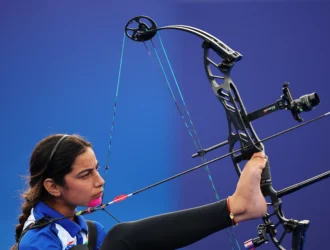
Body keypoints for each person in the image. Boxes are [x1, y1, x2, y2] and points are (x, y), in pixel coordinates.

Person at [12, 133, 268, 250]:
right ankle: (237, 206)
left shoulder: (91, 233)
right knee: (121, 237)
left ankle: (238, 208)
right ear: (53, 186)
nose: (100, 181)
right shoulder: (37, 242)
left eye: (97, 170)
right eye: (85, 175)